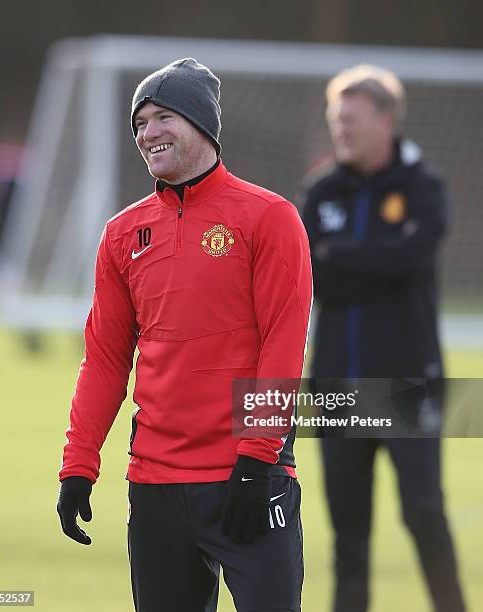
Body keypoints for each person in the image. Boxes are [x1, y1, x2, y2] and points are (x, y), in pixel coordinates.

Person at [57, 58, 312, 612]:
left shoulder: (269, 217)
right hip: (156, 487)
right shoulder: (122, 235)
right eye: (139, 123)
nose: (147, 133)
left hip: (249, 476)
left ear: (203, 125)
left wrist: (256, 458)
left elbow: (283, 343)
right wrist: (79, 464)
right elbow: (103, 360)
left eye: (162, 116)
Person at [301, 65, 466, 612]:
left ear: (386, 121)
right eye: (335, 119)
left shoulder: (424, 188)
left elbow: (411, 260)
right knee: (347, 534)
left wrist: (340, 253)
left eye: (351, 119)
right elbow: (311, 277)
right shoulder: (322, 190)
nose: (340, 129)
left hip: (406, 383)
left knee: (423, 511)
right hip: (334, 387)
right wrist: (366, 259)